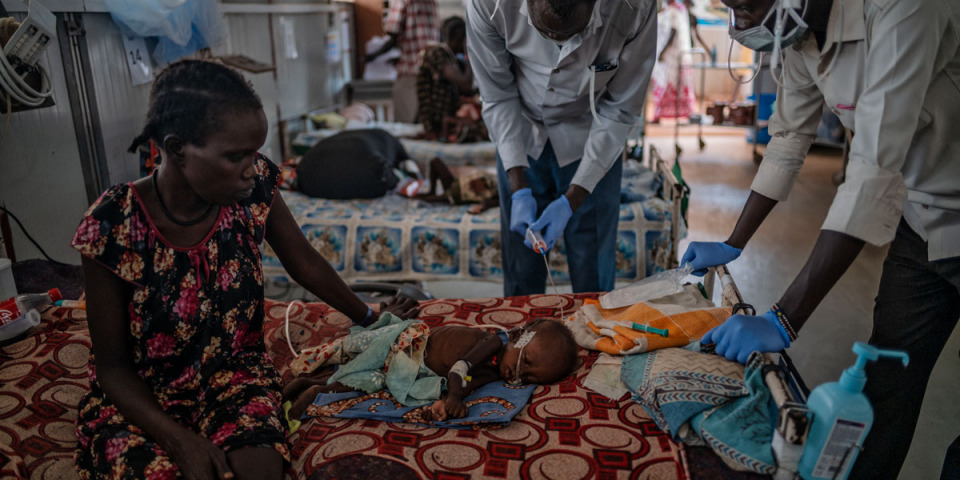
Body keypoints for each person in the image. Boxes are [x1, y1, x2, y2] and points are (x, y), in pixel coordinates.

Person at [71, 60, 420, 480]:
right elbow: (112, 368)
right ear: (178, 148)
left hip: (233, 377)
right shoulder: (113, 224)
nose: (252, 168)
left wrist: (370, 317)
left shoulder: (252, 191)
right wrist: (180, 441)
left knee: (259, 471)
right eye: (236, 156)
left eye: (255, 153)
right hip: (143, 397)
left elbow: (303, 261)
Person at [679, 0, 960, 478]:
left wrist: (784, 320)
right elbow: (789, 137)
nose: (741, 21)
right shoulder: (798, 31)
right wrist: (734, 242)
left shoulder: (904, 8)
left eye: (747, 6)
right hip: (925, 219)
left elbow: (872, 170)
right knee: (887, 383)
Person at [466, 0, 658, 296]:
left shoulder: (635, 8)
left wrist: (574, 197)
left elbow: (620, 110)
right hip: (523, 134)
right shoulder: (488, 4)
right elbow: (497, 95)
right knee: (521, 272)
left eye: (572, 35)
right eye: (546, 32)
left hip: (592, 133)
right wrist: (518, 188)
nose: (560, 46)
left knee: (592, 274)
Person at [282, 318, 579, 421]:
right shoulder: (489, 342)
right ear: (516, 336)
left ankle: (310, 390)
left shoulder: (490, 373)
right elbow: (458, 371)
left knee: (356, 382)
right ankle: (297, 396)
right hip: (406, 344)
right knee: (348, 359)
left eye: (527, 378)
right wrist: (454, 397)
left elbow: (465, 384)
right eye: (523, 363)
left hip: (408, 367)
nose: (516, 375)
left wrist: (444, 406)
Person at [365, 0, 439, 123]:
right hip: (431, 68)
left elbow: (393, 34)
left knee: (406, 122)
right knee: (425, 122)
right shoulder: (431, 2)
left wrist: (373, 56)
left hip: (410, 71)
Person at [416, 16, 477, 140]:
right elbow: (465, 84)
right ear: (460, 38)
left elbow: (467, 90)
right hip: (436, 125)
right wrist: (468, 53)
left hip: (444, 122)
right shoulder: (437, 53)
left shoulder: (451, 58)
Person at [650, 0, 700, 122]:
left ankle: (662, 115)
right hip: (674, 55)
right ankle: (662, 115)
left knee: (668, 83)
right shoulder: (673, 11)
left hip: (672, 55)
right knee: (671, 84)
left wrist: (663, 52)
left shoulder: (675, 12)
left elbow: (673, 31)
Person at [416, 157, 499, 214]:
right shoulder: (498, 178)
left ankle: (423, 196)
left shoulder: (500, 193)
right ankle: (431, 191)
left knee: (424, 199)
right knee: (435, 161)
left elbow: (491, 202)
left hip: (454, 196)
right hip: (453, 183)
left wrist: (481, 207)